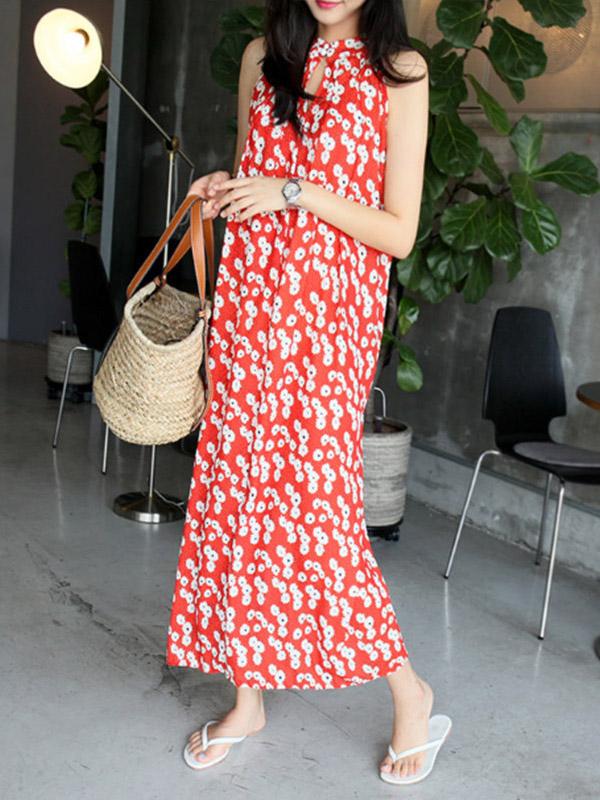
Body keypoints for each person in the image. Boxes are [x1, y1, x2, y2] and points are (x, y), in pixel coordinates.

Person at [166, 0, 451, 785]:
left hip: (329, 324)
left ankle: (411, 692)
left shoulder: (401, 70)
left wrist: (295, 191)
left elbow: (398, 231)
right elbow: (254, 174)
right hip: (251, 307)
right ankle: (248, 698)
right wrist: (226, 189)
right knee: (235, 496)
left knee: (317, 512)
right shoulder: (264, 58)